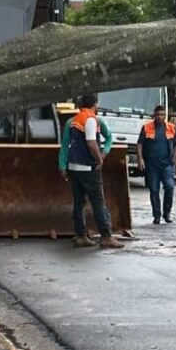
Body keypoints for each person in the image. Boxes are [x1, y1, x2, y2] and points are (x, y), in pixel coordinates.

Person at [61, 93, 125, 249]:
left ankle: (80, 235)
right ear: (95, 104)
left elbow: (65, 146)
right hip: (88, 168)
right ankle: (106, 236)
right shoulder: (90, 119)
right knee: (98, 202)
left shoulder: (73, 121)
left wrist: (63, 166)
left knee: (79, 202)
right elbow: (91, 142)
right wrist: (100, 158)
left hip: (73, 167)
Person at [137, 105, 176, 224]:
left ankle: (167, 213)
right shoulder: (146, 127)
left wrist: (174, 156)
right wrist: (140, 159)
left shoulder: (171, 128)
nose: (159, 117)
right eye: (158, 115)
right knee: (154, 189)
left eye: (162, 115)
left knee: (170, 187)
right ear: (154, 115)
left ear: (165, 116)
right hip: (152, 165)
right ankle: (157, 215)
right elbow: (140, 144)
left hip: (167, 164)